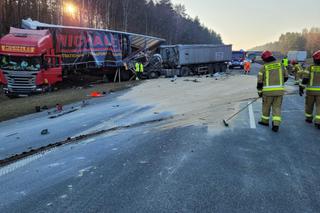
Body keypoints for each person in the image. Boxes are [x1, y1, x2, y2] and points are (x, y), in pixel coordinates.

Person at [257, 50, 289, 132]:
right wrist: (280, 83)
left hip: (267, 93)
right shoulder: (280, 64)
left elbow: (259, 82)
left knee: (266, 107)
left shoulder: (263, 67)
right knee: (277, 108)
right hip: (279, 92)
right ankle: (276, 125)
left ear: (264, 59)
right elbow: (286, 77)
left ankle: (265, 121)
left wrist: (260, 92)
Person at [299, 50, 320, 129]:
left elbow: (305, 79)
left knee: (309, 105)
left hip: (311, 91)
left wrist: (301, 88)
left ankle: (309, 118)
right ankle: (318, 122)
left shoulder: (310, 67)